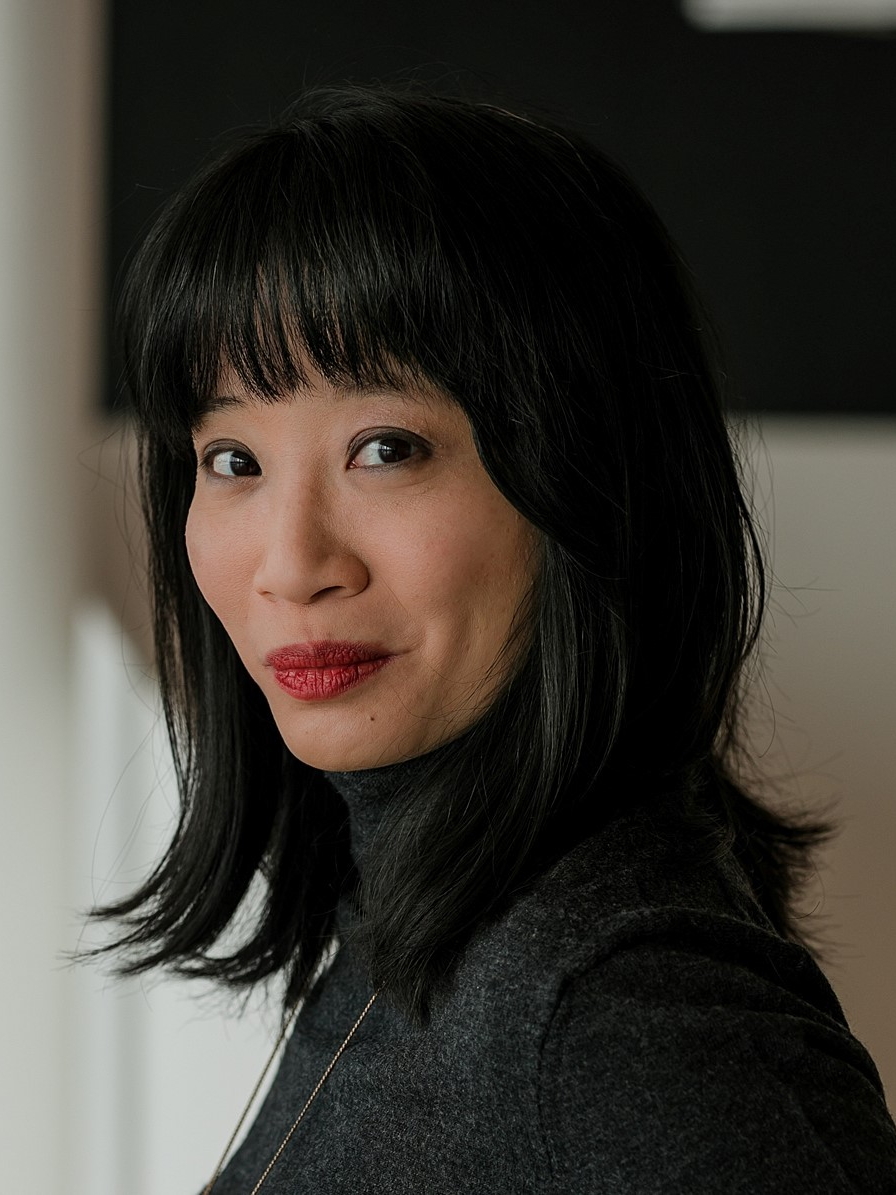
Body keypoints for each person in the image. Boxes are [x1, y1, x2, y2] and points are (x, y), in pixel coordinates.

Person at [91, 84, 896, 1192]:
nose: (291, 562)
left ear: (587, 478)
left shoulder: (627, 1023)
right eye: (234, 459)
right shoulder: (414, 915)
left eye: (385, 447)